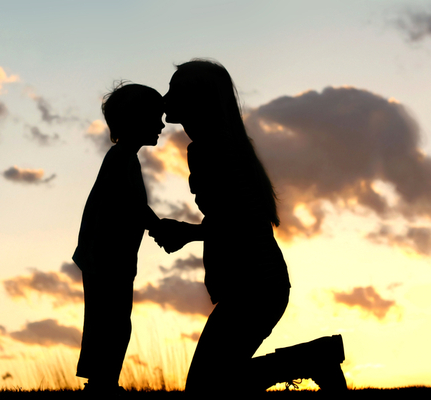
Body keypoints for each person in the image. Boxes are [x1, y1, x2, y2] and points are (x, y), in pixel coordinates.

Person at [150, 60, 347, 394]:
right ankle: (314, 358)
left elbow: (240, 221)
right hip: (255, 284)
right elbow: (233, 217)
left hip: (254, 285)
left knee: (206, 389)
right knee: (214, 384)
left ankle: (314, 359)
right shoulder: (218, 144)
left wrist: (188, 232)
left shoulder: (214, 149)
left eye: (176, 90)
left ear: (199, 98)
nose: (166, 97)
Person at [72, 83, 164, 395]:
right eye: (156, 117)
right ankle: (101, 383)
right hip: (105, 257)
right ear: (136, 120)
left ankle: (102, 381)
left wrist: (155, 225)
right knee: (109, 321)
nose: (162, 124)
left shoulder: (124, 158)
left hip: (112, 256)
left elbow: (130, 206)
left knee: (111, 320)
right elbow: (129, 203)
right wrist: (159, 226)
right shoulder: (121, 158)